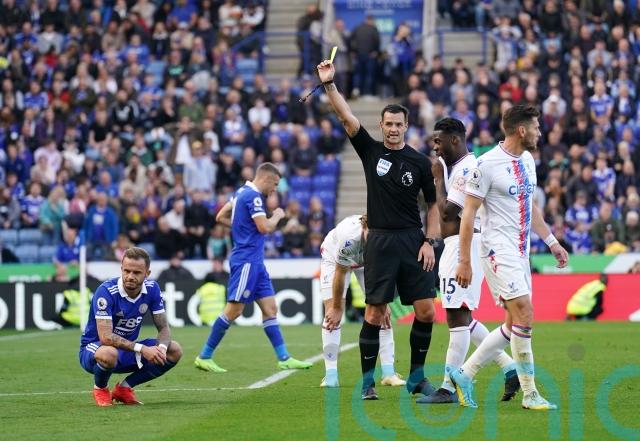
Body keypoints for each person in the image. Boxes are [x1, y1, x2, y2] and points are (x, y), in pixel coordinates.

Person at [319, 59, 440, 401]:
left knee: (427, 311)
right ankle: (367, 383)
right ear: (381, 125)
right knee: (374, 313)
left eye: (398, 124)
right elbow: (346, 117)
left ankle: (417, 377)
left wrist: (430, 241)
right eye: (388, 124)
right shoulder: (371, 151)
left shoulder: (420, 162)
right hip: (380, 241)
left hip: (412, 241)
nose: (393, 129)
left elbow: (433, 206)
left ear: (407, 126)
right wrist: (329, 85)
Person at [452, 105, 570, 410]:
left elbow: (531, 205)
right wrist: (464, 261)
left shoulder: (527, 160)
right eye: (536, 128)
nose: (540, 133)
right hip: (496, 251)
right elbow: (469, 214)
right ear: (521, 130)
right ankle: (530, 393)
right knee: (525, 313)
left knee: (513, 322)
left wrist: (552, 241)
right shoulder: (486, 164)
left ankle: (464, 374)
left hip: (520, 253)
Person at [417, 118, 520, 404]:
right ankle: (509, 368)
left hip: (465, 246)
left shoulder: (466, 169)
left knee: (457, 316)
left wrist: (438, 178)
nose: (435, 147)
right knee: (463, 316)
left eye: (438, 141)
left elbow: (448, 213)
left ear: (454, 140)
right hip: (458, 245)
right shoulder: (458, 167)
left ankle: (448, 387)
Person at [195, 163, 312, 373]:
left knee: (270, 309)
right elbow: (264, 227)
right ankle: (204, 356)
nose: (274, 190)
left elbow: (220, 216)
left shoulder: (241, 192)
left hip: (256, 262)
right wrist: (277, 215)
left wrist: (243, 227)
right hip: (246, 261)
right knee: (234, 310)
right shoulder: (254, 197)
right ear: (266, 179)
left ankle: (284, 357)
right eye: (274, 185)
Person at [78, 247, 183, 406]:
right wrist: (143, 349)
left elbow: (163, 328)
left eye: (137, 272)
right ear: (121, 269)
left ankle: (124, 388)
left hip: (126, 350)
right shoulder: (106, 292)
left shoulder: (152, 289)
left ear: (147, 273)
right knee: (109, 353)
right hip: (95, 349)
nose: (130, 276)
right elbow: (106, 338)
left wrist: (161, 349)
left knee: (174, 350)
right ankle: (101, 388)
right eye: (126, 271)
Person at [321, 214, 405, 388]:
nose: (375, 240)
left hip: (366, 263)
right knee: (332, 315)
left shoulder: (385, 238)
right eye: (371, 236)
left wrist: (383, 302)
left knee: (382, 312)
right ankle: (330, 375)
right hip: (334, 260)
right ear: (364, 229)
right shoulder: (349, 238)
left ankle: (388, 373)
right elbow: (341, 271)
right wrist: (337, 307)